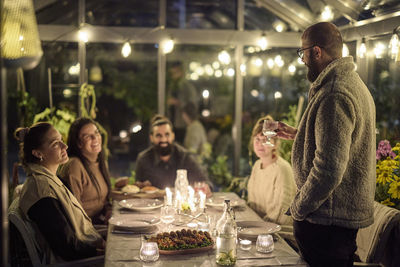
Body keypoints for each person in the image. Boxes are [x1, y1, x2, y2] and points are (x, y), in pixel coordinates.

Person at [275, 22, 376, 267]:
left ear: (317, 52)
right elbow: (340, 142)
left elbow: (329, 168)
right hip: (332, 220)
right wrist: (301, 135)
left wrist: (300, 207)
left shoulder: (334, 92)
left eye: (303, 53)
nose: (303, 60)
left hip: (326, 222)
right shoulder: (352, 83)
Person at [15, 122, 105, 262]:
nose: (65, 146)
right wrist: (104, 252)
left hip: (86, 251)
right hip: (78, 262)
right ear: (38, 153)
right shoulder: (42, 191)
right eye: (55, 144)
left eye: (61, 140)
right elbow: (68, 248)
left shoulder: (50, 180)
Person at [135, 115, 211, 194]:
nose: (163, 139)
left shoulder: (185, 157)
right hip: (151, 204)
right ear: (151, 138)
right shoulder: (143, 159)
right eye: (158, 135)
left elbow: (205, 182)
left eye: (167, 134)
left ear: (173, 136)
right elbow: (137, 190)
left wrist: (205, 188)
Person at [58, 118, 111, 225]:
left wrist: (108, 211)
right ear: (78, 143)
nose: (95, 137)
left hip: (99, 222)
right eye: (87, 136)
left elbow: (103, 200)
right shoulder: (74, 165)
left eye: (96, 132)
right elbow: (75, 213)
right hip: (85, 230)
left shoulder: (101, 162)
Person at [247, 115, 296, 226]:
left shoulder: (282, 169)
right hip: (258, 226)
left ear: (275, 144)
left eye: (265, 140)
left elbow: (282, 213)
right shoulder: (257, 165)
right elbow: (252, 203)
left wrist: (258, 228)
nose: (260, 144)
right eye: (257, 139)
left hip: (279, 232)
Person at [167, 62, 198, 143]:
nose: (173, 75)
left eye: (175, 72)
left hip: (182, 123)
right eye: (172, 73)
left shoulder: (187, 87)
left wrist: (178, 102)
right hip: (171, 121)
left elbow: (192, 104)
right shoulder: (171, 86)